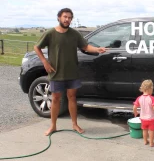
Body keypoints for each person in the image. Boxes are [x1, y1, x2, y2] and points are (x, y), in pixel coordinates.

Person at [34, 8, 107, 136]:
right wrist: (45, 62)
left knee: (72, 98)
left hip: (72, 72)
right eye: (65, 17)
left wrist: (97, 49)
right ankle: (53, 126)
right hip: (56, 72)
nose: (67, 19)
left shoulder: (74, 34)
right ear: (59, 18)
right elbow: (37, 47)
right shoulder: (50, 33)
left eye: (69, 18)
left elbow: (85, 46)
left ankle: (74, 124)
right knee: (56, 99)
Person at [133, 80, 154, 147]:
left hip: (143, 118)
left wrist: (135, 112)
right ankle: (151, 143)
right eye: (152, 89)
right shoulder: (152, 98)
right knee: (151, 130)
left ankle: (145, 141)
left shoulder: (139, 98)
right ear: (150, 89)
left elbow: (134, 107)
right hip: (150, 119)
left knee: (144, 130)